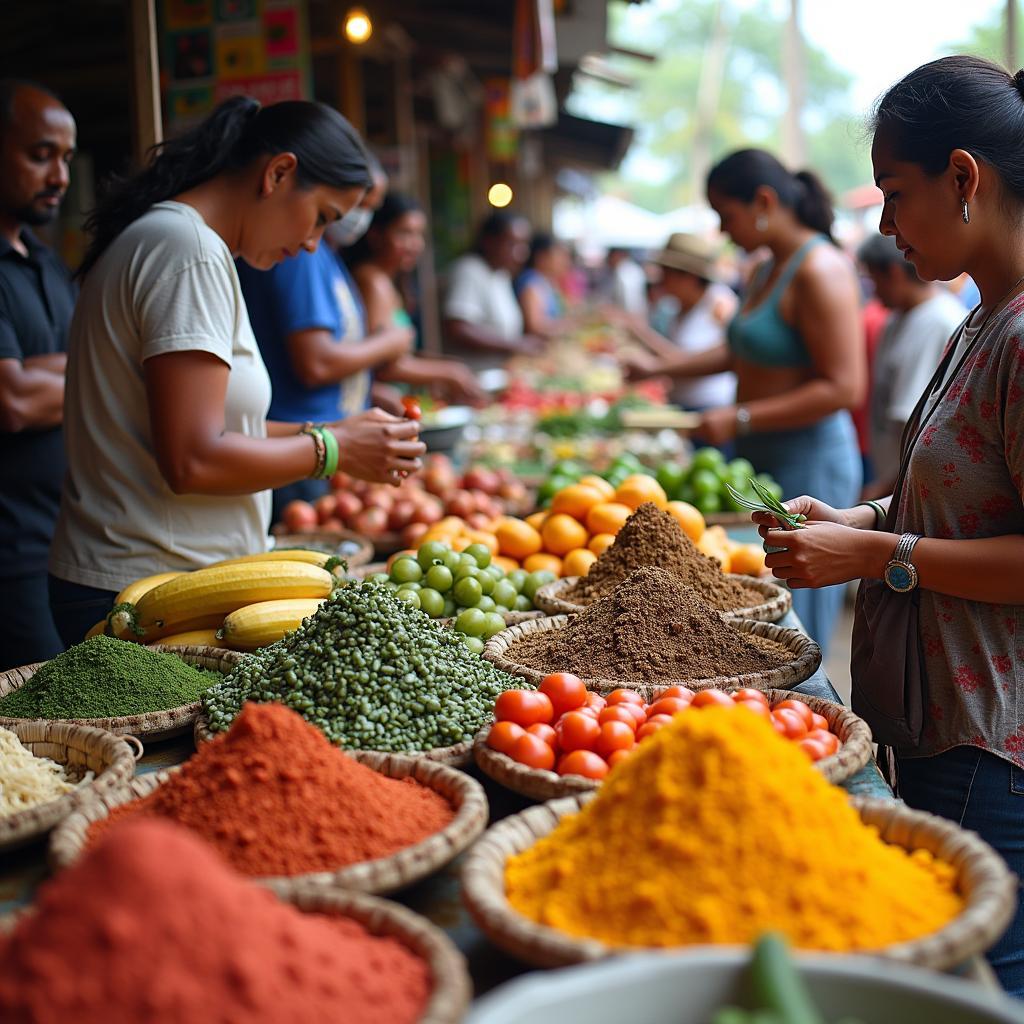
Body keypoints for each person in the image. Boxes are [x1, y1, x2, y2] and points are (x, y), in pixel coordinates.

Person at [753, 55, 1024, 993]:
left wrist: (874, 552)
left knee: (987, 980)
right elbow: (958, 492)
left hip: (993, 741)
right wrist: (860, 516)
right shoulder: (976, 323)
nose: (883, 226)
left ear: (964, 179)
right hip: (941, 722)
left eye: (896, 194)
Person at [48, 97, 425, 645]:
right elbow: (193, 458)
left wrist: (339, 434)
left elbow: (213, 432)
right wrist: (332, 451)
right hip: (142, 592)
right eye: (321, 216)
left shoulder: (190, 246)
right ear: (278, 173)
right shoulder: (188, 251)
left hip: (161, 580)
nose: (311, 243)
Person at [628, 150, 864, 650]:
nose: (722, 229)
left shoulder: (820, 269)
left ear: (763, 201)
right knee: (764, 596)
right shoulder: (763, 270)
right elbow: (740, 353)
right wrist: (660, 366)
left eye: (725, 215)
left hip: (811, 461)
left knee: (799, 610)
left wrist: (738, 418)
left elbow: (844, 387)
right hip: (762, 457)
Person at [0, 80, 76, 670]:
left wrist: (42, 370)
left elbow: (81, 365)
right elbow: (15, 400)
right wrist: (100, 382)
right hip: (11, 552)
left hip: (69, 540)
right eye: (40, 154)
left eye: (67, 159)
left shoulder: (46, 261)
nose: (60, 177)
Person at [346, 192, 483, 404]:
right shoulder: (373, 282)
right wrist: (449, 372)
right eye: (404, 233)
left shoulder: (389, 281)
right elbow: (385, 367)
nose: (415, 244)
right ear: (376, 235)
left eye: (419, 234)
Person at [857, 232, 965, 495]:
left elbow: (918, 428)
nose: (873, 292)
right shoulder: (896, 319)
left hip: (908, 485)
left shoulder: (938, 321)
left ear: (893, 273)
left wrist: (887, 490)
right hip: (895, 478)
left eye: (874, 281)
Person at [621, 233, 737, 416]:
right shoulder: (676, 307)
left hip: (711, 410)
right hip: (682, 407)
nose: (661, 279)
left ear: (689, 276)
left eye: (667, 272)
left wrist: (641, 335)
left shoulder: (720, 304)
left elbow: (725, 356)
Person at [442, 211, 543, 370]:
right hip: (475, 377)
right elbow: (458, 328)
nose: (521, 253)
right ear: (489, 241)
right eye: (512, 244)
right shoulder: (469, 270)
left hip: (500, 372)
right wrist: (515, 344)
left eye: (524, 245)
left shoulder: (500, 274)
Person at [514, 232, 571, 337]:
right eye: (558, 255)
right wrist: (568, 326)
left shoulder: (544, 281)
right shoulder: (531, 283)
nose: (563, 261)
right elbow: (534, 327)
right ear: (541, 257)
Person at [605, 246, 648, 316]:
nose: (609, 260)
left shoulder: (625, 271)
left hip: (632, 315)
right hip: (633, 314)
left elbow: (630, 301)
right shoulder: (630, 268)